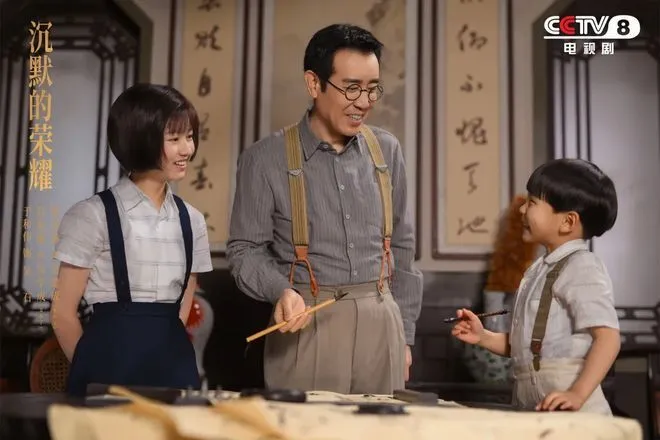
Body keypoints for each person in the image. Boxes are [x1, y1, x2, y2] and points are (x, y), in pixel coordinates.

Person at [227, 24, 423, 394]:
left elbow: (402, 247)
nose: (364, 102)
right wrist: (281, 291)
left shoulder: (387, 150)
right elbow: (244, 250)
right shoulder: (264, 159)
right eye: (351, 88)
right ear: (314, 84)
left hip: (383, 323)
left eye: (372, 88)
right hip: (306, 322)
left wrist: (406, 335)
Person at [51, 84, 213, 396]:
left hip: (174, 369)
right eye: (174, 139)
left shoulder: (192, 220)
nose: (187, 150)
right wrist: (91, 369)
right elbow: (62, 313)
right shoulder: (91, 215)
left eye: (190, 137)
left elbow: (182, 308)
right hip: (106, 373)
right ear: (141, 139)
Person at [452, 158, 620, 414]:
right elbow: (526, 346)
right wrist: (484, 337)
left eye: (532, 203)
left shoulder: (582, 266)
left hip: (574, 413)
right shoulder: (537, 270)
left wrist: (577, 393)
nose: (522, 209)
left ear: (567, 222)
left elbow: (608, 338)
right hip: (534, 407)